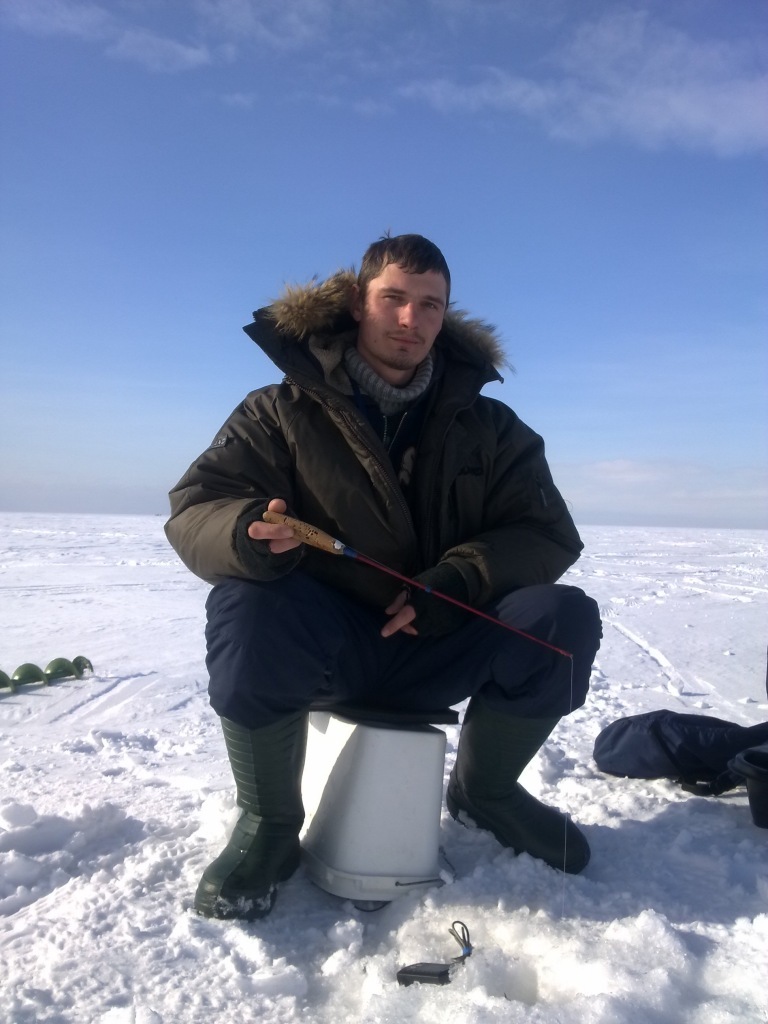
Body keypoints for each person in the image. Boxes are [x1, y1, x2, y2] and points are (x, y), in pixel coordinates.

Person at [165, 233, 602, 921]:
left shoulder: (493, 427)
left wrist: (459, 582)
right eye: (393, 298)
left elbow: (545, 532)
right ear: (356, 303)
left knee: (562, 619)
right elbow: (198, 508)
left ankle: (486, 793)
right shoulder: (277, 411)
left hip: (441, 637)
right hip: (329, 651)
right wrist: (246, 532)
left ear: (445, 314)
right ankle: (269, 823)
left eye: (430, 305)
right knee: (248, 604)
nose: (410, 319)